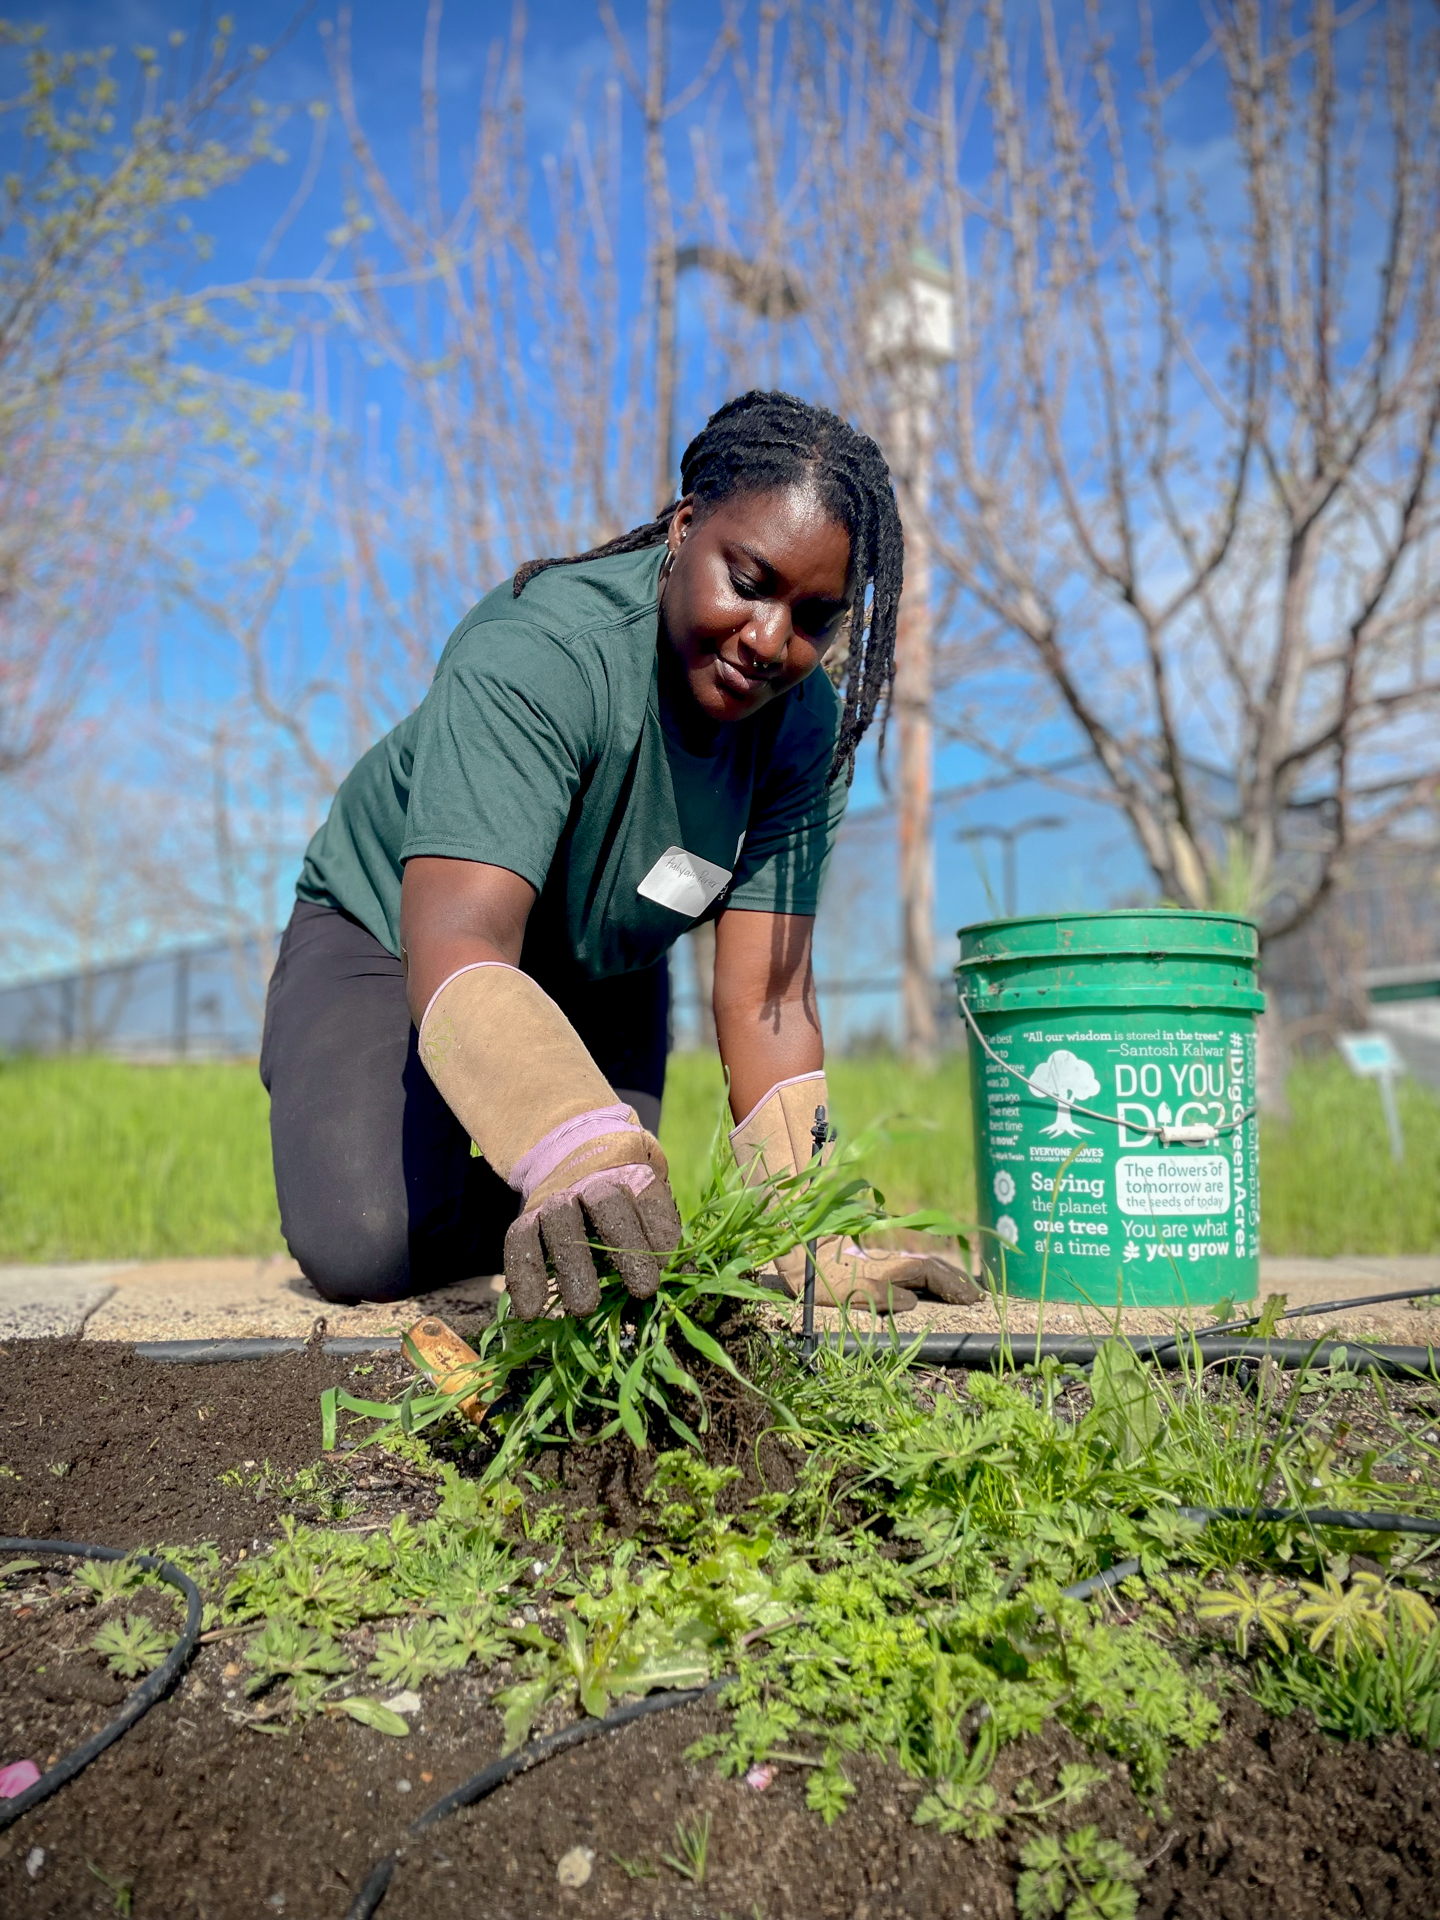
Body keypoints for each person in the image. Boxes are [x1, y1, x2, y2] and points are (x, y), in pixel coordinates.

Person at [260, 390, 975, 1319]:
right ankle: (465, 1180)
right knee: (370, 1239)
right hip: (400, 935)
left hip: (601, 967)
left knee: (616, 1234)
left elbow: (769, 999)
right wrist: (571, 1144)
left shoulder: (805, 733)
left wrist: (808, 1240)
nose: (770, 639)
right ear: (684, 529)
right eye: (750, 582)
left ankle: (531, 1178)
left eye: (816, 618)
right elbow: (463, 939)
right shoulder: (540, 650)